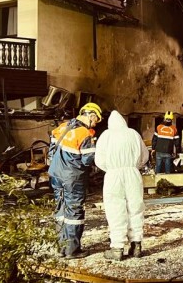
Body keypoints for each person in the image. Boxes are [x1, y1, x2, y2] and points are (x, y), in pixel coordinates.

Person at [49, 102, 103, 259]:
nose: (95, 123)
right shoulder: (84, 134)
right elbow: (87, 160)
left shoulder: (62, 127)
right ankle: (72, 250)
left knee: (60, 209)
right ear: (91, 115)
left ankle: (60, 248)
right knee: (74, 211)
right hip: (72, 177)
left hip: (56, 175)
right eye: (96, 120)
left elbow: (52, 148)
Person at [94, 111, 149, 261]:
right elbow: (144, 156)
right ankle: (136, 245)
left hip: (113, 175)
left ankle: (117, 248)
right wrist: (133, 166)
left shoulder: (106, 135)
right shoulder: (133, 134)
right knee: (135, 207)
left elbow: (99, 159)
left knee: (115, 209)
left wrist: (111, 168)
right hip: (133, 173)